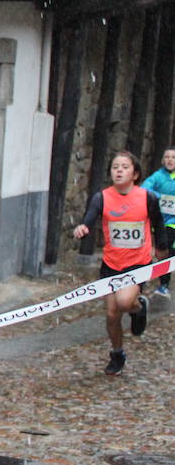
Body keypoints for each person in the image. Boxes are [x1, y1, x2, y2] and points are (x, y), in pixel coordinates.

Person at [73, 151, 167, 376]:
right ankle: (117, 353)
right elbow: (90, 217)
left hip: (137, 263)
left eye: (124, 167)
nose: (119, 171)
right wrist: (83, 227)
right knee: (112, 314)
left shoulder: (147, 198)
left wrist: (161, 250)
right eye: (115, 167)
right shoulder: (102, 197)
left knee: (125, 302)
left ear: (135, 174)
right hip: (111, 264)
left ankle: (137, 307)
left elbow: (158, 224)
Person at [139, 146, 175, 298]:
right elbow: (144, 188)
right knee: (161, 251)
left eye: (173, 158)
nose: (170, 160)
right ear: (162, 160)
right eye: (167, 157)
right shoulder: (158, 176)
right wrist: (159, 196)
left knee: (169, 252)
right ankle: (159, 283)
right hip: (160, 221)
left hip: (173, 222)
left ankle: (164, 283)